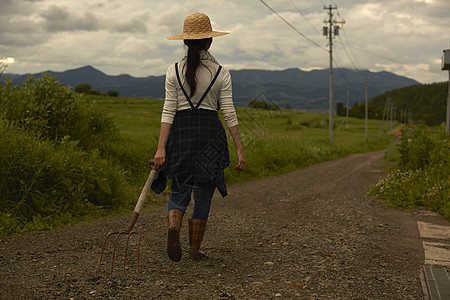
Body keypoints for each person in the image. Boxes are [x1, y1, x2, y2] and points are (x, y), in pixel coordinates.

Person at [152, 12, 246, 262]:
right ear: (209, 42)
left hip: (181, 134)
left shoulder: (173, 70)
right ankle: (194, 249)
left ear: (185, 42)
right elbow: (228, 111)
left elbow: (168, 110)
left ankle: (174, 224)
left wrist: (161, 149)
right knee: (204, 193)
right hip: (209, 136)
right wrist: (239, 149)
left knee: (179, 190)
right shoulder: (221, 72)